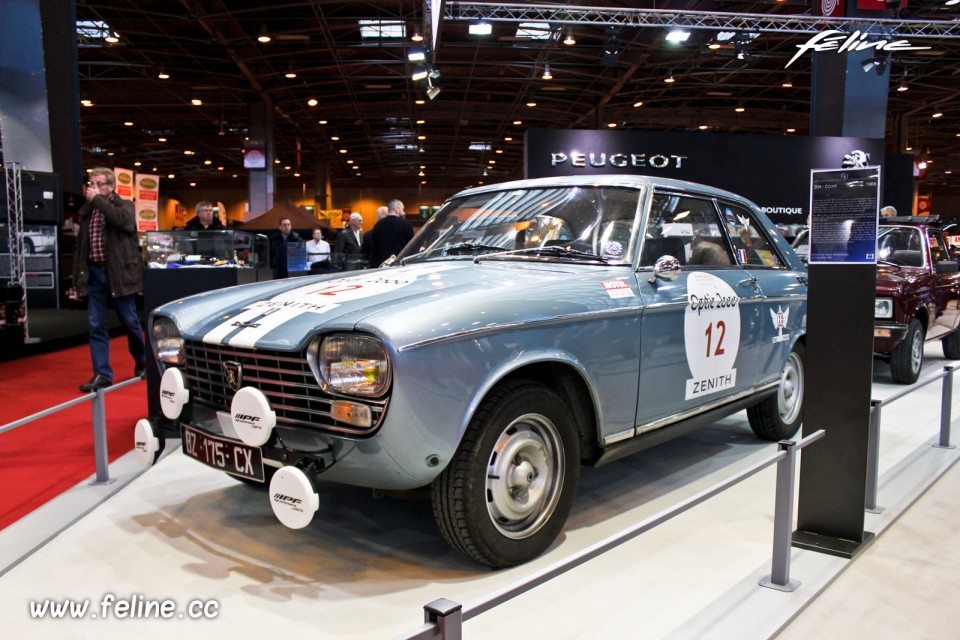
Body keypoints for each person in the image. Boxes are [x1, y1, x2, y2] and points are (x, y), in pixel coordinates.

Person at [72, 167, 146, 392]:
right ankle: (102, 374)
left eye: (98, 183)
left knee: (130, 321)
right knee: (96, 325)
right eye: (91, 183)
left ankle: (142, 360)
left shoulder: (124, 206)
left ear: (111, 186)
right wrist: (77, 282)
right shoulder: (87, 212)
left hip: (119, 275)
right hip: (94, 274)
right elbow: (80, 248)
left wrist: (97, 200)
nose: (92, 188)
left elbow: (123, 222)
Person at [367, 199, 414, 267]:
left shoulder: (378, 225)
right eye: (402, 209)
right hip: (400, 264)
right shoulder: (406, 224)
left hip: (382, 264)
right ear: (397, 210)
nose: (403, 212)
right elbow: (411, 246)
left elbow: (374, 249)